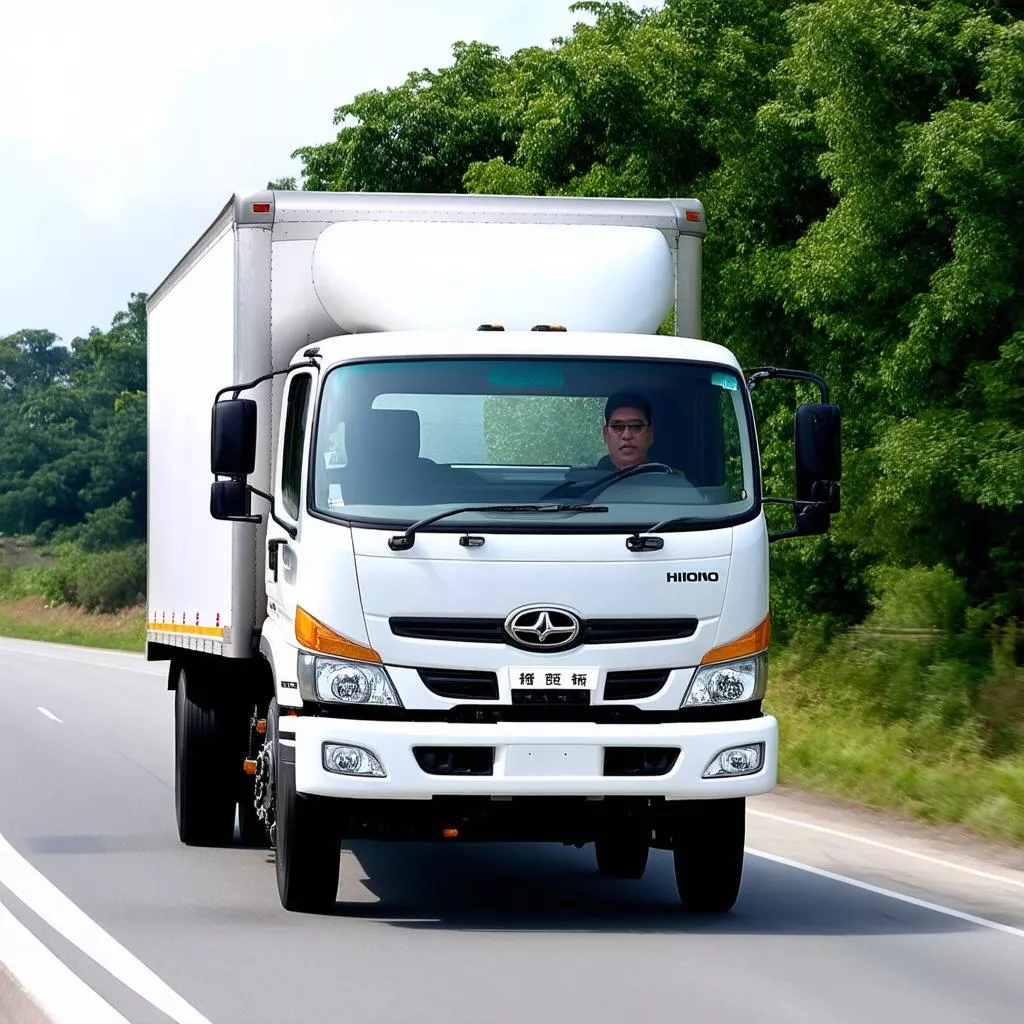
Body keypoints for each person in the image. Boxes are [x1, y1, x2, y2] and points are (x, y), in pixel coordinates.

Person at [598, 392, 656, 470]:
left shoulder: (671, 479)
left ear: (650, 433)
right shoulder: (592, 480)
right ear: (605, 434)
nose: (627, 436)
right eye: (618, 427)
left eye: (636, 426)